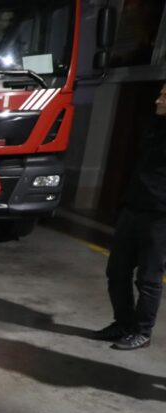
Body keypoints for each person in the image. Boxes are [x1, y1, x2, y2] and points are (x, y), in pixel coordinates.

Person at [94, 83, 166, 351]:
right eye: (160, 93)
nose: (158, 99)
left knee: (148, 277)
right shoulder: (154, 124)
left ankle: (142, 332)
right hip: (134, 205)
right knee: (117, 270)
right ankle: (123, 323)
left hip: (159, 214)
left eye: (165, 96)